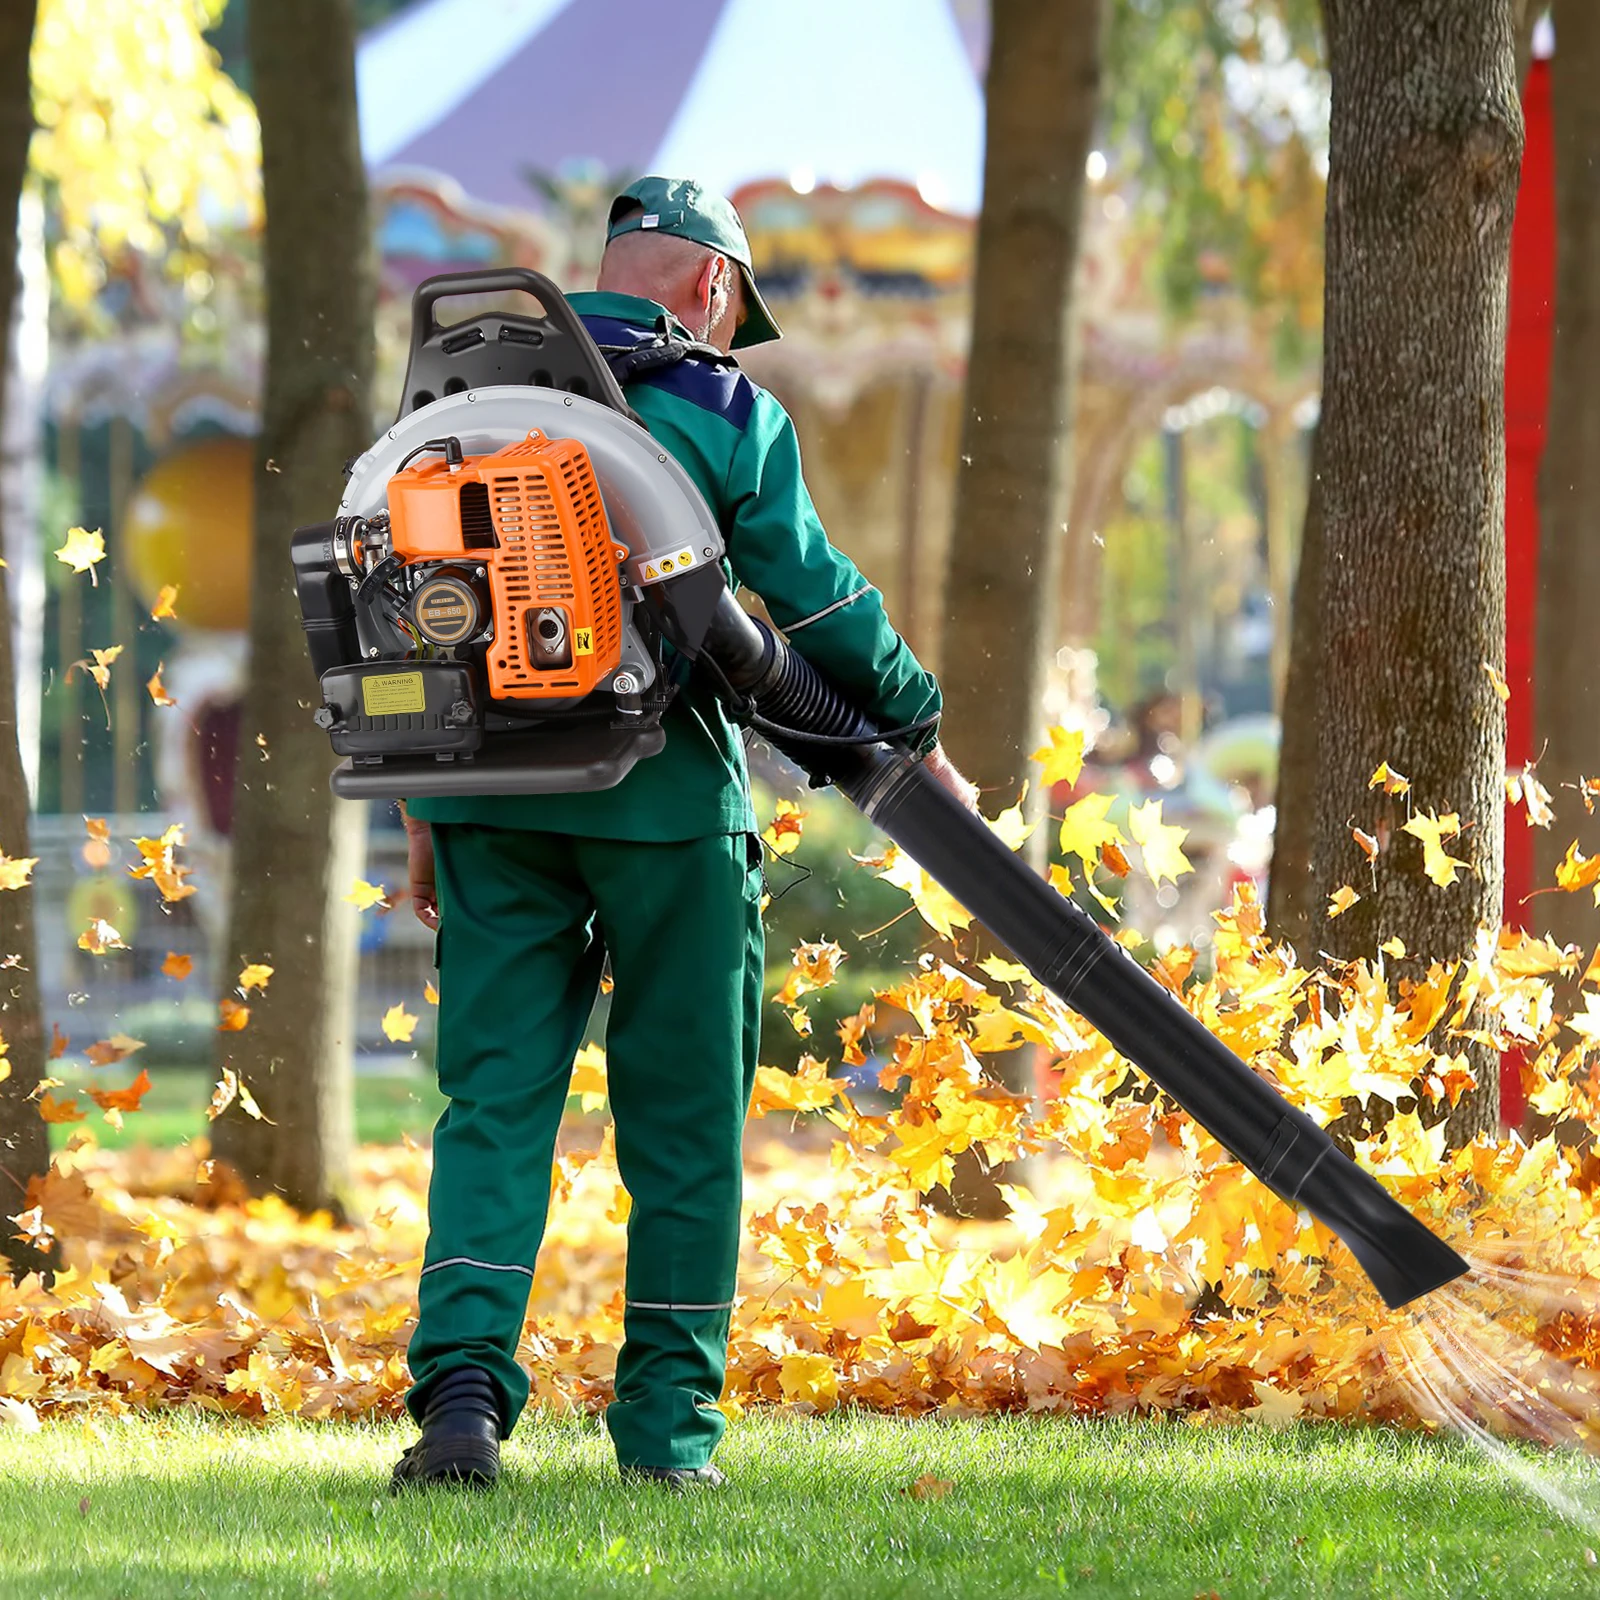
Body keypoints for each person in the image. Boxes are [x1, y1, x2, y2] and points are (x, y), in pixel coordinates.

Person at [391, 177, 975, 1493]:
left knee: (491, 1108)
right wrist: (916, 727)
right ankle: (665, 1438)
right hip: (666, 809)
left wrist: (427, 812)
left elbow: (413, 610)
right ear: (715, 288)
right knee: (686, 1126)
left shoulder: (463, 404)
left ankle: (463, 1402)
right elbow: (814, 606)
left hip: (490, 797)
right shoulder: (718, 404)